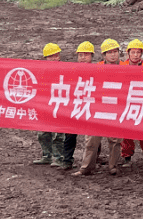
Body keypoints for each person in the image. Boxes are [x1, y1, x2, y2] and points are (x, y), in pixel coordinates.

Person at [75, 39, 124, 177]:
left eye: (115, 52)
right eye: (110, 52)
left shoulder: (125, 68)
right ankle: (86, 167)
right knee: (91, 139)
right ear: (103, 55)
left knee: (115, 140)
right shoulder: (96, 68)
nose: (113, 55)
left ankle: (113, 166)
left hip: (116, 108)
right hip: (97, 108)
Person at [61, 41, 96, 172]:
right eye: (80, 55)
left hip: (90, 106)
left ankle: (94, 158)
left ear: (92, 56)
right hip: (74, 106)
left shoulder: (98, 70)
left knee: (92, 136)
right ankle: (67, 160)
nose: (83, 58)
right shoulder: (71, 70)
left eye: (86, 55)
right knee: (70, 135)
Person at [34, 43, 66, 166]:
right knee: (43, 133)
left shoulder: (66, 69)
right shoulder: (40, 70)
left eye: (55, 55)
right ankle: (47, 155)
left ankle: (59, 157)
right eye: (50, 56)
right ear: (45, 57)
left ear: (59, 56)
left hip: (60, 105)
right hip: (45, 105)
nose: (53, 58)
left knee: (59, 134)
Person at [119, 38, 143, 167]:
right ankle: (127, 156)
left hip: (142, 101)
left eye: (138, 52)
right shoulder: (122, 67)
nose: (136, 55)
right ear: (128, 53)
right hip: (126, 101)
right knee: (126, 131)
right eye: (133, 52)